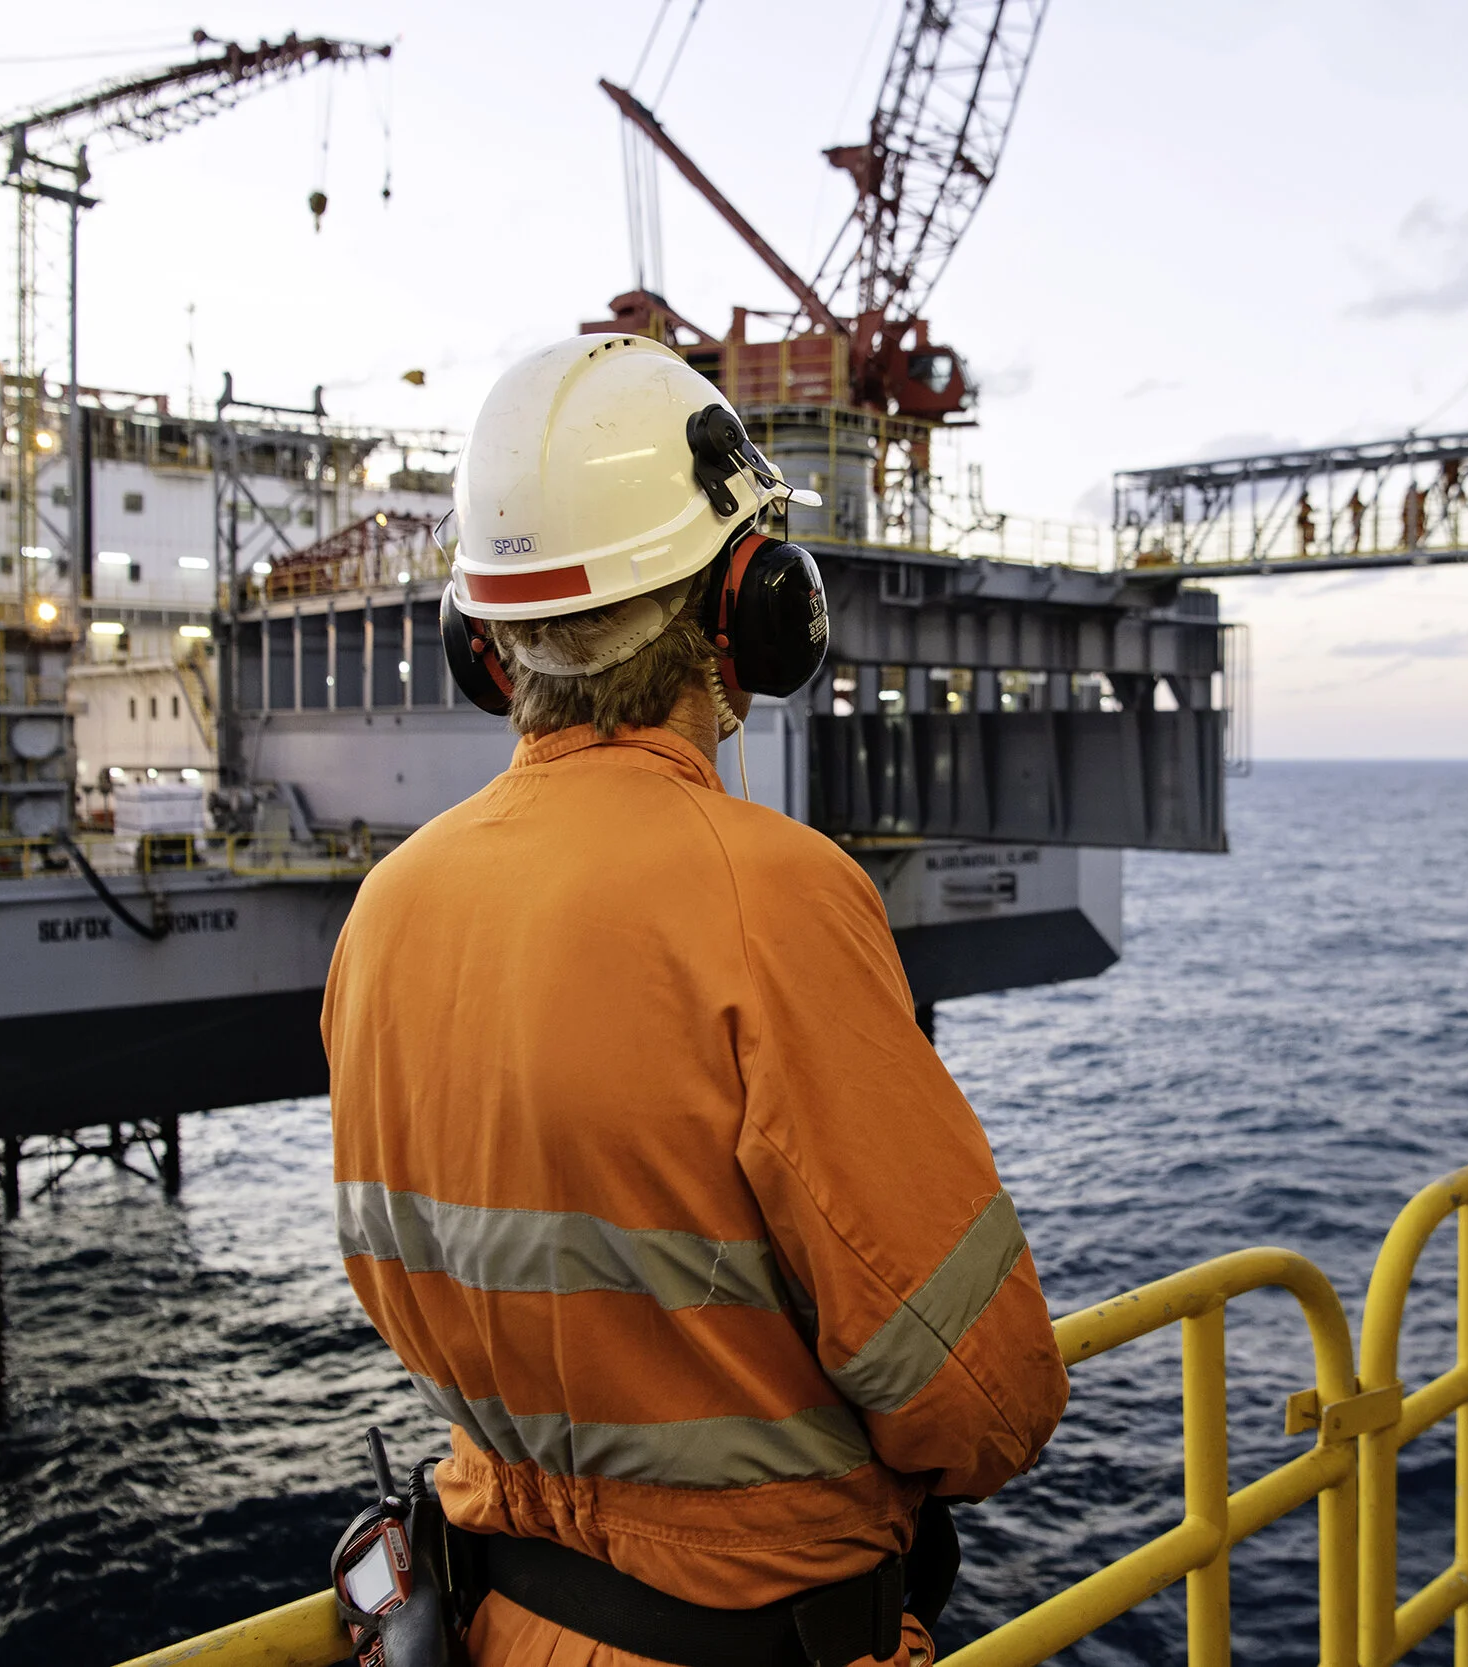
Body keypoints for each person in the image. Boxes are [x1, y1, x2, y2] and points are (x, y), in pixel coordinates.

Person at [324, 333, 1068, 1667]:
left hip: (495, 1627)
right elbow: (985, 1399)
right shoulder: (773, 897)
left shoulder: (386, 908)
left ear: (484, 641)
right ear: (751, 605)